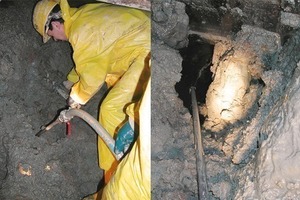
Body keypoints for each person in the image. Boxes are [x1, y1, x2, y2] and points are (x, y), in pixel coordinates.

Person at [33, 0, 150, 198]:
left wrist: (76, 98)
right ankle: (132, 134)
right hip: (138, 44)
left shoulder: (81, 32)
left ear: (54, 24)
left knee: (110, 108)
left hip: (145, 52)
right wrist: (71, 81)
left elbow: (93, 75)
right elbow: (92, 56)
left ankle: (113, 169)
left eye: (51, 35)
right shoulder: (83, 16)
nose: (55, 40)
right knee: (114, 85)